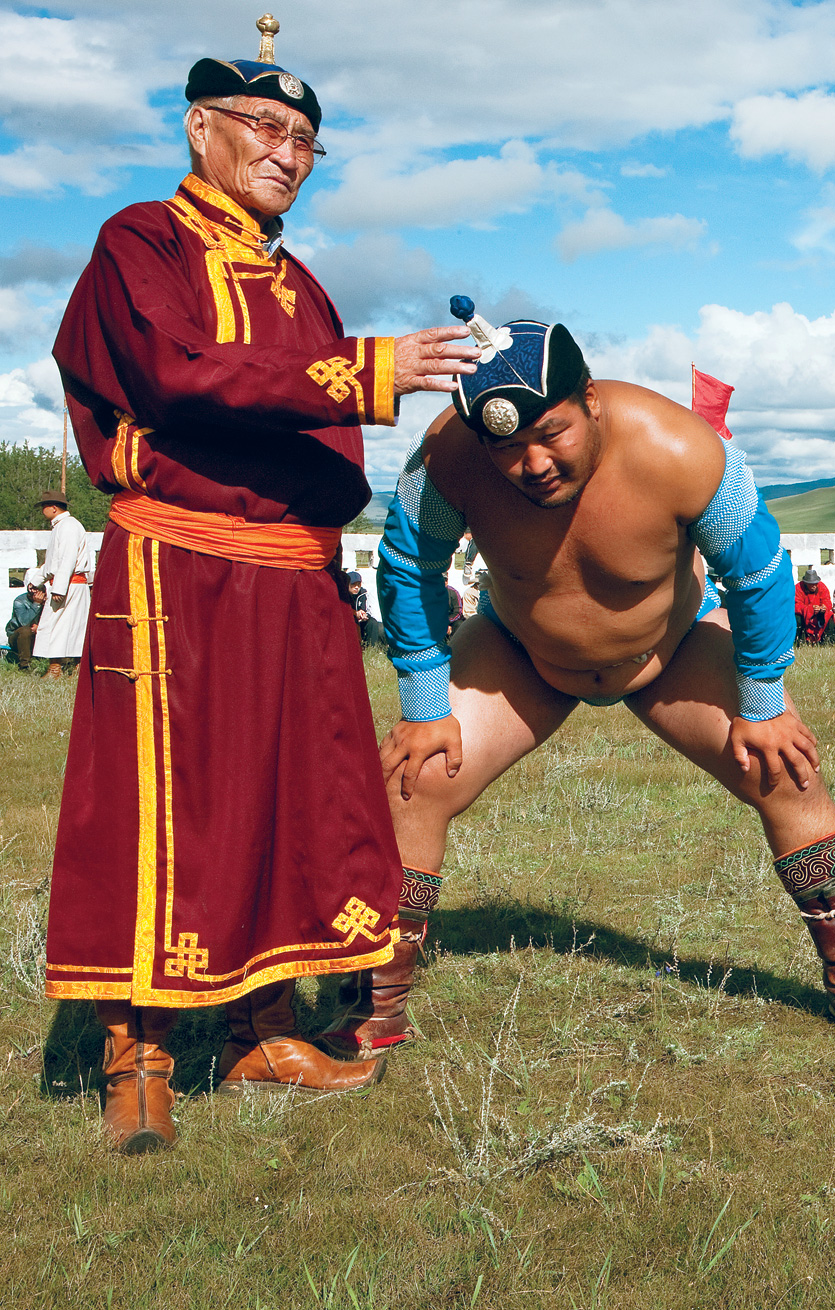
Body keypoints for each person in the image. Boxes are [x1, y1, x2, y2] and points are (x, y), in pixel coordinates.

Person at [45, 19, 480, 1154]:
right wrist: (375, 366)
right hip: (179, 565)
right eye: (267, 128)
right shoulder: (140, 242)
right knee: (164, 801)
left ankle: (260, 1028)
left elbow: (310, 418)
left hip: (294, 577)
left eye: (307, 141)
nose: (287, 152)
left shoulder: (307, 283)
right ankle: (134, 1049)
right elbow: (177, 372)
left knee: (292, 798)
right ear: (202, 129)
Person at [346, 312, 835, 1060]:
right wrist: (423, 706)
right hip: (521, 652)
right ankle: (373, 1002)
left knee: (785, 772)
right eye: (508, 448)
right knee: (412, 781)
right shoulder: (446, 460)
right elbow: (408, 566)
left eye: (551, 433)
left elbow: (760, 572)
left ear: (591, 401)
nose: (534, 463)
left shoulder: (682, 448)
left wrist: (764, 701)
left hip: (669, 647)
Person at [32, 489, 95, 679]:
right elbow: (53, 562)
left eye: (44, 506)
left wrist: (60, 587)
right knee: (66, 625)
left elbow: (68, 559)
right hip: (67, 583)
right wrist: (35, 582)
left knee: (62, 626)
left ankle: (60, 669)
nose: (42, 510)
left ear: (53, 507)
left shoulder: (68, 526)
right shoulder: (61, 526)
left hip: (70, 585)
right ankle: (68, 668)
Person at [8, 579, 45, 671]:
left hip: (38, 634)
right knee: (25, 630)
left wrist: (40, 627)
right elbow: (24, 622)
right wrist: (36, 604)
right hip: (17, 636)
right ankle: (24, 665)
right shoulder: (20, 601)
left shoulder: (48, 601)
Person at [794, 567, 833, 645]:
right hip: (804, 615)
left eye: (815, 584)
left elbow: (827, 601)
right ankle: (799, 642)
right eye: (811, 584)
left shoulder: (822, 586)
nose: (814, 586)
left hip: (819, 614)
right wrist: (810, 609)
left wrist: (823, 607)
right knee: (796, 618)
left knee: (829, 617)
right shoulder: (798, 587)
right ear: (806, 583)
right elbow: (796, 605)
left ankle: (827, 642)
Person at [345, 568, 380, 646]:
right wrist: (354, 614)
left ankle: (372, 647)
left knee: (372, 622)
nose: (356, 587)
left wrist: (363, 614)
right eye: (353, 584)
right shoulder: (343, 595)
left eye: (358, 584)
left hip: (360, 620)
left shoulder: (362, 594)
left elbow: (364, 608)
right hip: (348, 620)